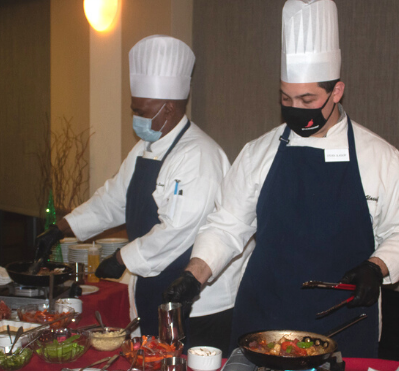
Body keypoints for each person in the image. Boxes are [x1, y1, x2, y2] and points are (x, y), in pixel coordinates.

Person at [163, 0, 399, 357]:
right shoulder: (259, 151)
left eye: (307, 99)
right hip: (264, 319)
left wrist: (377, 267)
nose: (295, 110)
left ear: (336, 91)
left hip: (343, 323)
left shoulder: (379, 156)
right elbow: (227, 225)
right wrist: (194, 275)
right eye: (286, 98)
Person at [34, 35, 249, 352]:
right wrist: (61, 228)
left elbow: (178, 231)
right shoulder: (146, 147)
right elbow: (112, 199)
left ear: (170, 108)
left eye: (142, 111)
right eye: (134, 109)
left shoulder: (199, 155)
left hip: (200, 302)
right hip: (154, 285)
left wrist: (121, 257)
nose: (136, 118)